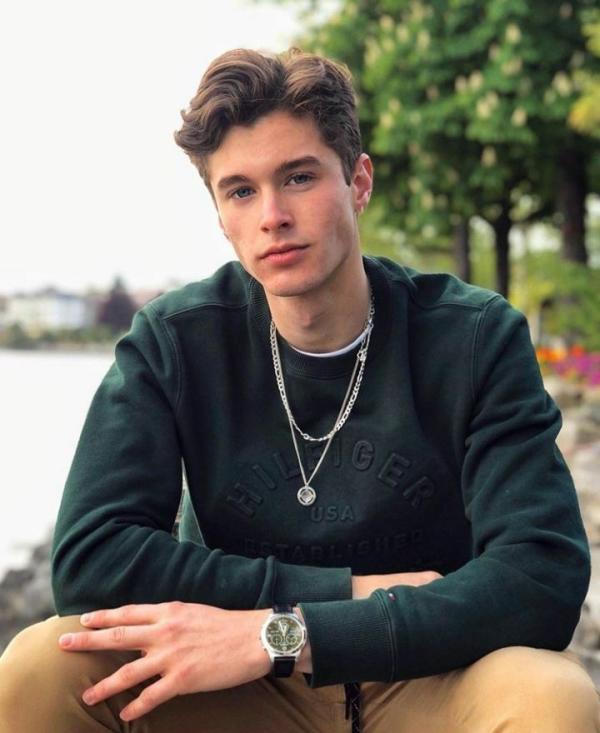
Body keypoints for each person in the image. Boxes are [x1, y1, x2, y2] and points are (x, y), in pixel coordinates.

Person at [0, 47, 598, 733]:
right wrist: (334, 596)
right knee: (39, 668)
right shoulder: (176, 341)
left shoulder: (472, 336)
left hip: (428, 670)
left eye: (299, 177)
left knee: (555, 697)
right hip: (237, 683)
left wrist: (287, 632)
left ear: (358, 182)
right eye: (241, 191)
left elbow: (542, 574)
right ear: (220, 215)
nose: (272, 215)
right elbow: (89, 559)